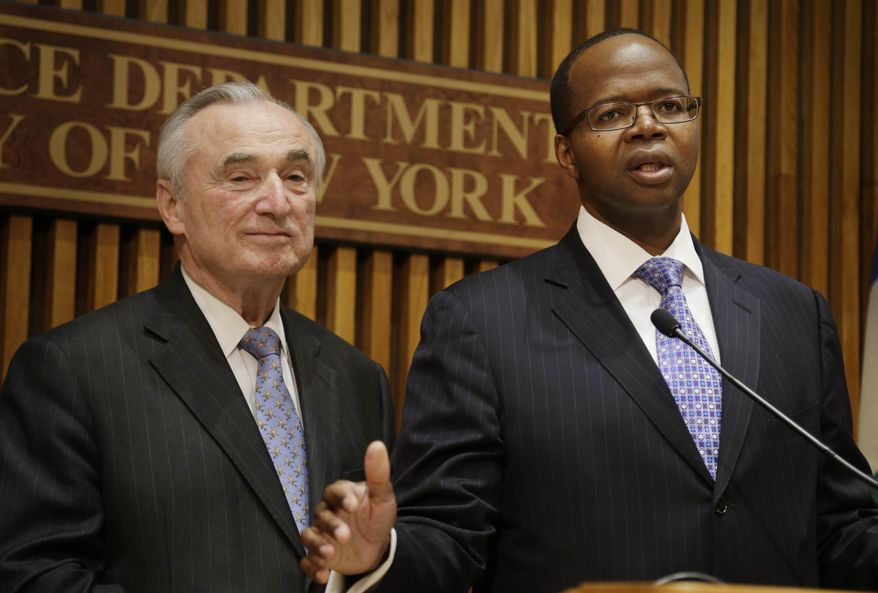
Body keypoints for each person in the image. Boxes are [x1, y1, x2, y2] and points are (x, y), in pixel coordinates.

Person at [299, 28, 878, 592]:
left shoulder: (795, 312)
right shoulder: (479, 321)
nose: (647, 126)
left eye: (669, 105)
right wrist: (379, 554)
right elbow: (450, 534)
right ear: (566, 153)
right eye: (611, 115)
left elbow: (838, 528)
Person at [0, 81, 394, 593]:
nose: (277, 201)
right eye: (240, 177)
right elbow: (34, 576)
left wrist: (365, 566)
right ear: (173, 207)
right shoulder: (72, 369)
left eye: (295, 176)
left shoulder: (357, 376)